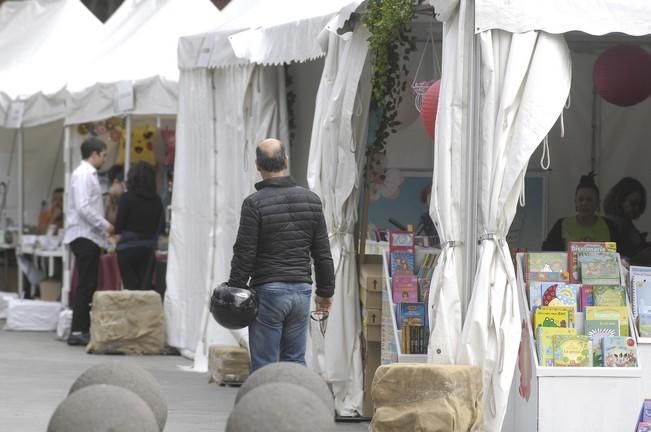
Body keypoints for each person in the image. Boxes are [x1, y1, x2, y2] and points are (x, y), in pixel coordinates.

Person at [228, 138, 335, 372]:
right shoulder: (312, 200)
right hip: (301, 292)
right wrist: (325, 293)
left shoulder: (254, 204)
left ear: (258, 165)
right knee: (295, 361)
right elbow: (322, 254)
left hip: (268, 291)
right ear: (285, 161)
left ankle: (265, 407)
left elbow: (245, 251)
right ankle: (295, 406)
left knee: (265, 365)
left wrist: (235, 288)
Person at [63, 137, 113, 346]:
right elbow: (83, 207)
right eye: (103, 155)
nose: (104, 159)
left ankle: (81, 328)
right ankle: (78, 330)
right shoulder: (84, 174)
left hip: (88, 235)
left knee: (88, 283)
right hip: (84, 234)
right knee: (85, 284)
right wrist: (105, 224)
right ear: (94, 154)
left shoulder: (86, 174)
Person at [114, 162, 164, 291]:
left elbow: (118, 227)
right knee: (145, 288)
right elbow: (161, 227)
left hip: (127, 249)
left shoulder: (126, 198)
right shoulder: (157, 200)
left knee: (130, 288)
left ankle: (130, 311)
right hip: (148, 249)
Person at [542, 172, 618, 251]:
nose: (584, 204)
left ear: (598, 203)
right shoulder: (562, 225)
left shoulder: (609, 226)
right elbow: (548, 252)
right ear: (575, 202)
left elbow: (621, 254)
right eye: (580, 200)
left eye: (590, 200)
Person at [603, 177, 650, 263]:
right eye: (633, 204)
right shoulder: (608, 225)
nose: (637, 208)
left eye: (639, 204)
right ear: (619, 200)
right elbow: (610, 258)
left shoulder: (627, 223)